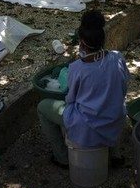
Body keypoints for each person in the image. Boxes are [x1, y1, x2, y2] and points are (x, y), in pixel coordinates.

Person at [37, 9, 130, 168]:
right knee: (111, 103)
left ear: (81, 42)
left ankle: (62, 158)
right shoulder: (117, 58)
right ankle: (114, 154)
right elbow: (123, 86)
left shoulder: (76, 68)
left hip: (89, 126)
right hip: (115, 118)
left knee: (42, 107)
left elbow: (70, 98)